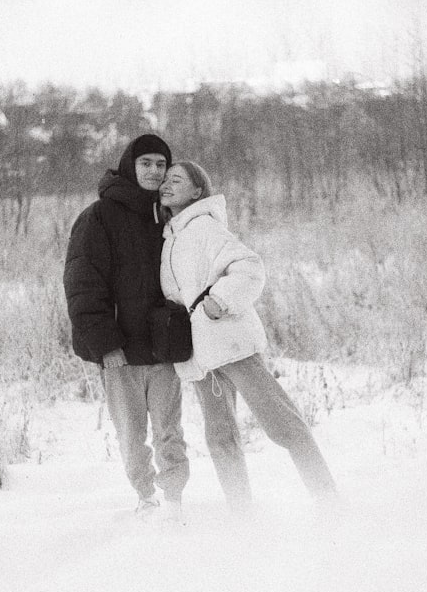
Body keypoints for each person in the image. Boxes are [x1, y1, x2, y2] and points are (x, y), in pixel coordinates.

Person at [158, 161, 337, 516]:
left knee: (281, 422)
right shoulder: (170, 238)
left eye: (176, 179)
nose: (166, 184)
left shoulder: (205, 227)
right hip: (199, 355)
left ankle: (329, 499)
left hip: (230, 343)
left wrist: (219, 300)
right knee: (220, 436)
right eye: (164, 180)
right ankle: (241, 513)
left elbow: (250, 267)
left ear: (197, 191)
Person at [63, 134, 188, 522]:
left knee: (170, 432)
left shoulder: (170, 214)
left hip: (166, 348)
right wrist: (105, 345)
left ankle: (174, 500)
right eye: (146, 163)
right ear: (130, 165)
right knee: (132, 436)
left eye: (161, 164)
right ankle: (146, 496)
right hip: (121, 354)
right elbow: (83, 285)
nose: (154, 171)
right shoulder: (98, 217)